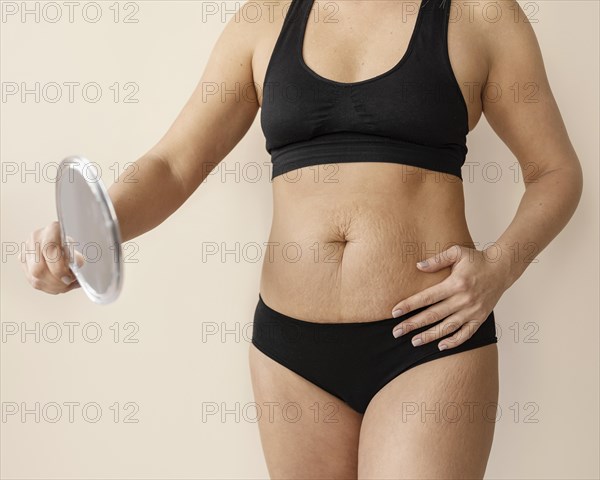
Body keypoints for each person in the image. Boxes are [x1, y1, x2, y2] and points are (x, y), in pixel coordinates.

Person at [21, 0, 583, 478]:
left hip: (430, 341)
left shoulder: (482, 14)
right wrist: (87, 234)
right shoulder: (264, 20)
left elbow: (555, 171)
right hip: (291, 354)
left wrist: (499, 268)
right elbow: (173, 165)